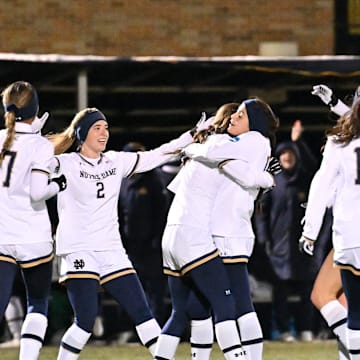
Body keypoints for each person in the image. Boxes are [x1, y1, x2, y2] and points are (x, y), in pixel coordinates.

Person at [45, 107, 198, 359]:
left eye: (106, 127)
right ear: (83, 134)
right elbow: (23, 166)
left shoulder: (116, 161)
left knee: (143, 313)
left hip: (112, 250)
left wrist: (192, 134)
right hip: (78, 250)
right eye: (97, 128)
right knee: (85, 323)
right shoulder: (64, 163)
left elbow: (159, 154)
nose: (104, 133)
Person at [154, 98, 279, 360]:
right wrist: (267, 178)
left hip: (177, 232)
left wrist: (192, 147)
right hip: (202, 234)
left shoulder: (237, 142)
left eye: (240, 115)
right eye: (233, 115)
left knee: (190, 310)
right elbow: (244, 175)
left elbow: (177, 186)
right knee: (229, 305)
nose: (233, 118)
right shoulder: (223, 144)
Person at [0, 81, 67, 360]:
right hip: (33, 237)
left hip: (2, 235)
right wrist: (59, 185)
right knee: (37, 303)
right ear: (36, 109)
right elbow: (39, 192)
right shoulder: (40, 145)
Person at [299, 95, 360, 359]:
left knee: (350, 309)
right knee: (344, 305)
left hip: (350, 233)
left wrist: (310, 230)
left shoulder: (340, 143)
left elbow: (320, 185)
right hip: (349, 231)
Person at [254, 119, 319, 342]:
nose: (287, 158)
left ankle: (306, 329)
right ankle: (283, 330)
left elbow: (315, 166)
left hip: (302, 245)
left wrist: (297, 142)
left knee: (305, 291)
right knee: (280, 292)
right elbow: (261, 213)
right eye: (283, 156)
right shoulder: (272, 183)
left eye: (291, 154)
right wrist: (264, 240)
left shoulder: (305, 180)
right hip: (279, 247)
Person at [119, 141, 168, 326]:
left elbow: (161, 212)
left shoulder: (154, 180)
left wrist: (156, 239)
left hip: (151, 246)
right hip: (130, 246)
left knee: (155, 289)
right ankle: (134, 328)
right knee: (133, 289)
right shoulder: (122, 182)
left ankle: (156, 327)